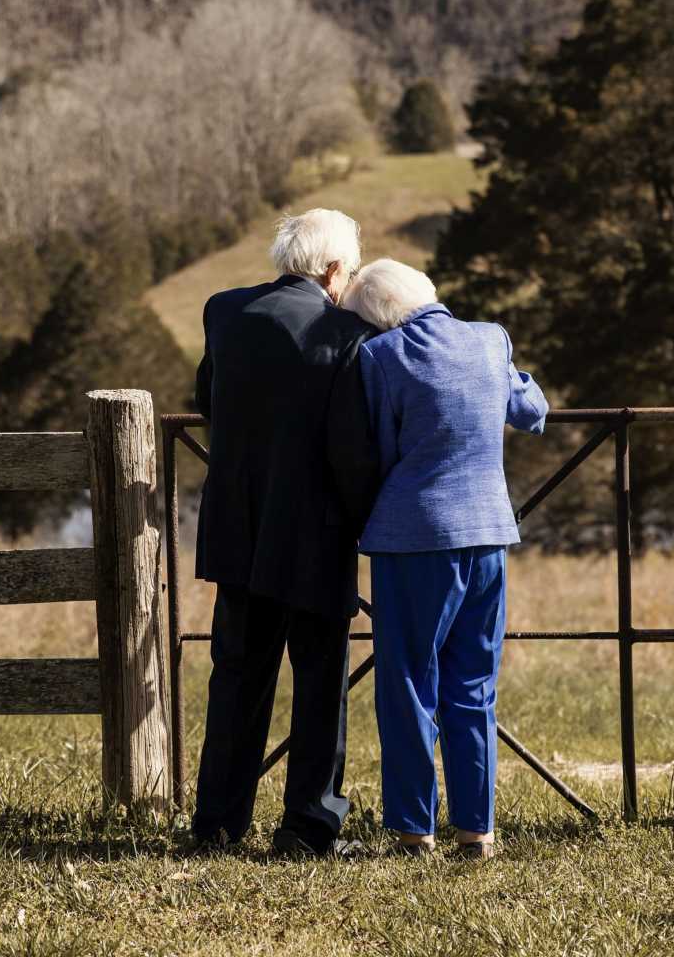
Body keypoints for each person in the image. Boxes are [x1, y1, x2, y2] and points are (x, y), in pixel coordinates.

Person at [340, 258, 548, 861]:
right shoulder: (491, 339)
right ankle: (476, 831)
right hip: (487, 533)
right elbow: (532, 411)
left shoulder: (380, 357)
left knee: (407, 680)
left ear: (374, 318)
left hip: (413, 540)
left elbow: (376, 448)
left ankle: (412, 828)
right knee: (474, 682)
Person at [187, 208, 379, 859]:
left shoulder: (225, 311)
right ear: (332, 270)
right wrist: (365, 518)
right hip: (317, 531)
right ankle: (306, 827)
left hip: (239, 526)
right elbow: (352, 442)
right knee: (321, 682)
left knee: (237, 677)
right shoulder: (346, 330)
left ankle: (216, 823)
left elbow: (210, 399)